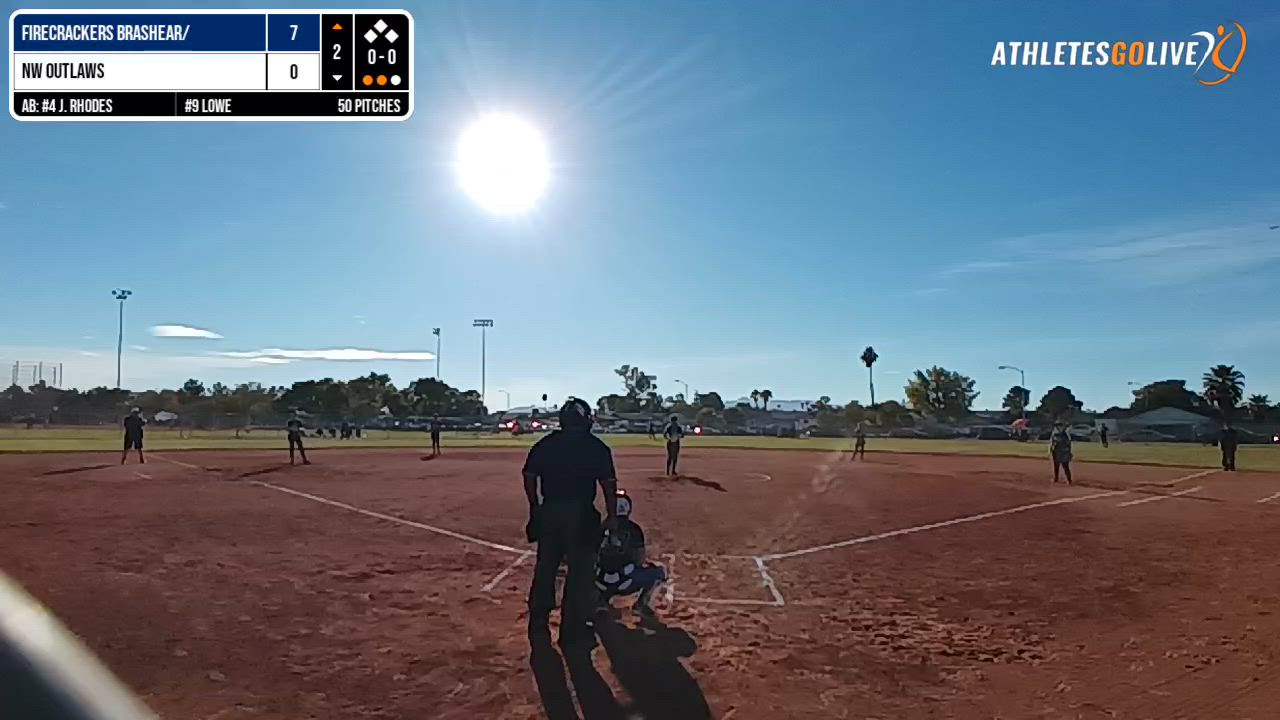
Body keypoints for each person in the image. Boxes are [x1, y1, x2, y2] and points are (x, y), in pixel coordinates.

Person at [523, 398, 619, 648]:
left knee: (546, 566)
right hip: (581, 514)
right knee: (579, 572)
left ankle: (538, 619)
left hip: (550, 510)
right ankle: (572, 629)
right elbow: (608, 485)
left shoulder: (547, 444)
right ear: (586, 421)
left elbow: (529, 475)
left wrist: (535, 507)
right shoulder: (595, 447)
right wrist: (612, 515)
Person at [596, 489, 667, 619]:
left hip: (600, 581)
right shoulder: (634, 529)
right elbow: (639, 559)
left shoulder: (602, 527)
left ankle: (601, 600)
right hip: (626, 582)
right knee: (659, 573)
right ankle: (641, 604)